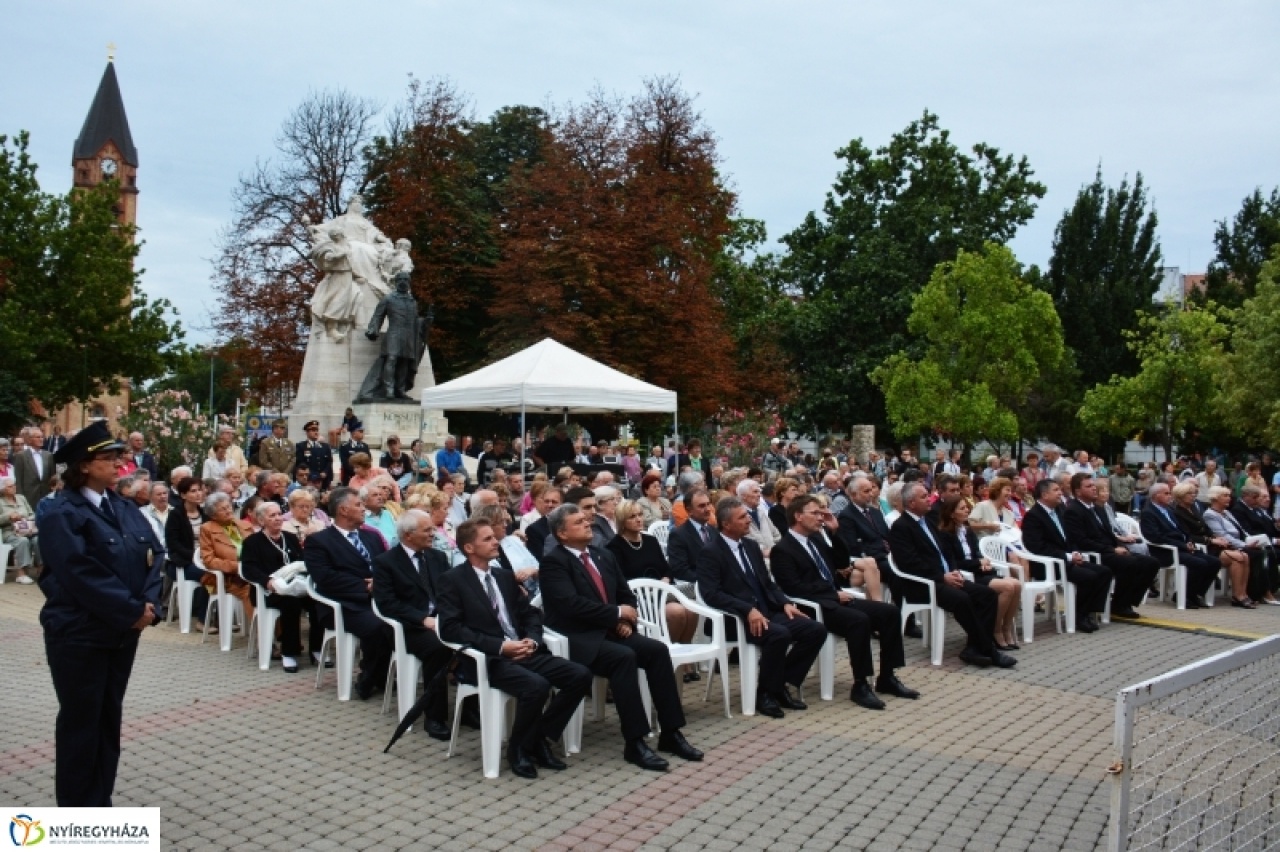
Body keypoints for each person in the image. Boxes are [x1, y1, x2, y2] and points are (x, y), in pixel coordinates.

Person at [38, 421, 163, 805]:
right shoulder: (61, 512)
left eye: (118, 458)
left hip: (122, 632)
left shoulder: (123, 507)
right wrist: (129, 609)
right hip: (80, 633)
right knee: (81, 724)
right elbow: (78, 572)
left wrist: (150, 607)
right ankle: (78, 814)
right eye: (109, 460)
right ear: (86, 466)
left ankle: (99, 804)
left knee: (108, 721)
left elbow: (153, 556)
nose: (118, 466)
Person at [539, 503, 704, 770]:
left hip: (612, 631)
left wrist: (626, 618)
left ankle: (671, 733)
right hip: (580, 638)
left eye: (586, 519)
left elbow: (626, 595)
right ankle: (635, 742)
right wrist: (616, 614)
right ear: (562, 534)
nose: (588, 523)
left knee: (656, 651)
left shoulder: (602, 555)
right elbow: (569, 605)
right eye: (579, 521)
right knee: (624, 657)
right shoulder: (554, 563)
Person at [438, 518, 593, 778]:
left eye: (493, 536)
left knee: (579, 676)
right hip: (489, 659)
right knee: (537, 686)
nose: (496, 541)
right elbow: (451, 629)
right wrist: (501, 647)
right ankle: (518, 749)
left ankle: (538, 738)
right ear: (469, 548)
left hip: (524, 650)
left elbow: (530, 613)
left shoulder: (502, 576)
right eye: (487, 539)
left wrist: (532, 639)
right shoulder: (453, 580)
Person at [770, 494, 917, 709]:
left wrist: (835, 531)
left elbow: (839, 562)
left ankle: (887, 676)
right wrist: (832, 595)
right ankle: (861, 683)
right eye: (815, 513)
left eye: (822, 513)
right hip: (813, 607)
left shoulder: (817, 539)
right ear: (798, 516)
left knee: (889, 613)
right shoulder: (783, 549)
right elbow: (794, 588)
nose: (821, 517)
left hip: (835, 600)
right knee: (859, 620)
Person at [697, 497, 827, 717]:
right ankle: (765, 694)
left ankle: (779, 684)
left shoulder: (749, 546)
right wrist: (747, 610)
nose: (749, 520)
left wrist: (785, 603)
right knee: (779, 635)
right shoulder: (711, 551)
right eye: (742, 517)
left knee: (814, 629)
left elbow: (767, 583)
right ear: (726, 524)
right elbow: (712, 594)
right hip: (736, 619)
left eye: (747, 515)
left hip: (766, 611)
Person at [888, 483, 1015, 668]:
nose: (929, 499)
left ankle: (973, 648)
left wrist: (953, 571)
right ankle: (989, 650)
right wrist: (942, 577)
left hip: (945, 578)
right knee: (962, 599)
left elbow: (946, 553)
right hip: (924, 584)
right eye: (924, 496)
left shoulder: (929, 522)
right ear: (911, 502)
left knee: (987, 595)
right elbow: (910, 563)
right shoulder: (901, 527)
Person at [371, 509, 457, 740]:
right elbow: (387, 603)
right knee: (438, 649)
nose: (434, 534)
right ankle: (435, 717)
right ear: (408, 535)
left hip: (442, 620)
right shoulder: (386, 562)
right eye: (427, 530)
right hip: (409, 627)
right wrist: (422, 618)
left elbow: (450, 591)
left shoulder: (437, 557)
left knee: (477, 639)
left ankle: (470, 709)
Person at [304, 487, 394, 700]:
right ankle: (370, 676)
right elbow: (325, 578)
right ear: (343, 510)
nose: (364, 509)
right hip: (343, 604)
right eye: (359, 505)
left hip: (378, 599)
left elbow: (386, 566)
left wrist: (381, 583)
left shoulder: (370, 537)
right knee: (379, 626)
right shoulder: (319, 541)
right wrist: (366, 587)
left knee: (404, 621)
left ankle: (383, 674)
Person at [606, 499, 701, 681]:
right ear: (622, 520)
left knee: (691, 610)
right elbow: (620, 581)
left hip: (661, 591)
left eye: (640, 515)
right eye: (632, 517)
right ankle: (667, 656)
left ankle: (683, 657)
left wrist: (665, 578)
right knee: (677, 612)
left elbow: (666, 567)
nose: (638, 520)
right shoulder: (614, 547)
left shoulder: (649, 540)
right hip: (639, 597)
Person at [1061, 473, 1160, 619]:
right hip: (1095, 552)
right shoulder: (1073, 511)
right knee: (1130, 564)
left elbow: (1108, 533)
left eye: (1094, 485)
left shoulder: (1098, 508)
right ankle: (1119, 604)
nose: (1094, 489)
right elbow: (1082, 541)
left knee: (1151, 562)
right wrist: (1112, 549)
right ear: (1077, 492)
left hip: (1110, 549)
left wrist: (1121, 545)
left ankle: (1124, 602)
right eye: (1089, 486)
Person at [1020, 478, 1113, 632]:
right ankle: (1079, 617)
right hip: (1049, 564)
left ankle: (1088, 611)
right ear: (1044, 495)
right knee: (1089, 576)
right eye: (1056, 490)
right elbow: (1037, 547)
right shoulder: (1034, 516)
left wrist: (1075, 552)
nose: (1060, 493)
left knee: (1104, 572)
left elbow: (1070, 537)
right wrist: (1067, 556)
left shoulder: (1060, 510)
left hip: (1067, 559)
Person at [240, 502, 320, 672]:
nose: (278, 518)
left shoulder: (289, 537)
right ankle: (289, 653)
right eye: (272, 516)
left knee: (318, 601)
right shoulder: (252, 542)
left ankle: (317, 649)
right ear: (261, 520)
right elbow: (248, 569)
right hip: (268, 591)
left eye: (279, 514)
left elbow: (302, 560)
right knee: (291, 604)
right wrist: (268, 581)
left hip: (296, 585)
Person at [937, 496, 1022, 650]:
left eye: (966, 507)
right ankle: (995, 631)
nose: (967, 511)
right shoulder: (945, 535)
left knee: (1016, 584)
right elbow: (954, 563)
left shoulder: (967, 530)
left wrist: (984, 562)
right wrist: (978, 563)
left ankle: (1006, 627)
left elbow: (976, 553)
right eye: (962, 508)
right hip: (968, 575)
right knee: (1007, 588)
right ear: (951, 514)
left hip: (978, 571)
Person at [1170, 481, 1253, 608]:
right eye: (1190, 493)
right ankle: (1236, 596)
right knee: (1237, 558)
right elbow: (1188, 535)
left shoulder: (1193, 508)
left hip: (1211, 544)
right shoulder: (1177, 512)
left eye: (1195, 493)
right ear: (1181, 495)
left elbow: (1205, 528)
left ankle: (1242, 594)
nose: (1194, 496)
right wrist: (1210, 540)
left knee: (1245, 556)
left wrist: (1216, 537)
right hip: (1201, 546)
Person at [1139, 482, 1219, 609]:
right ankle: (1184, 596)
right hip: (1165, 551)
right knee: (1199, 563)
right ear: (1156, 495)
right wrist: (1182, 545)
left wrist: (1188, 542)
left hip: (1182, 547)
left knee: (1214, 562)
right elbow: (1155, 537)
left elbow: (1183, 530)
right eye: (1166, 493)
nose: (1170, 496)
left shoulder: (1169, 510)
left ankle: (1195, 594)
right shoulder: (1149, 513)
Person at [1203, 486, 1279, 606]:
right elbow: (1223, 536)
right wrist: (1245, 545)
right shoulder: (1210, 515)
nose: (1229, 498)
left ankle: (1244, 593)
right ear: (1215, 499)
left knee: (1260, 552)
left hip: (1237, 544)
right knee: (1248, 555)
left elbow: (1241, 530)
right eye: (1225, 496)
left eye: (1229, 495)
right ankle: (1251, 593)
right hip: (1221, 548)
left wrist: (1250, 540)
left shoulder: (1227, 513)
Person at [199, 492, 256, 626]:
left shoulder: (244, 525)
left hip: (251, 572)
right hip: (227, 579)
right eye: (223, 509)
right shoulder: (207, 529)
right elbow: (209, 560)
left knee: (272, 589)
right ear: (213, 515)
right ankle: (264, 639)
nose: (228, 510)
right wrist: (236, 566)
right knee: (252, 592)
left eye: (228, 506)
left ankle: (279, 635)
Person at [664, 487, 714, 584]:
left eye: (708, 504)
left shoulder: (713, 531)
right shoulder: (678, 535)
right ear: (689, 510)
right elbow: (680, 570)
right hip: (696, 586)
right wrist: (709, 579)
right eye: (702, 506)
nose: (708, 509)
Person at [0, 475, 41, 583]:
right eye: (10, 486)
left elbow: (32, 514)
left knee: (38, 540)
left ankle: (41, 568)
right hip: (9, 531)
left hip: (27, 529)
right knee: (22, 541)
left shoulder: (21, 498)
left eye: (14, 485)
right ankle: (21, 573)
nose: (13, 488)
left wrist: (24, 517)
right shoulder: (0, 502)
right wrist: (9, 517)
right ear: (3, 489)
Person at [14, 427, 55, 508]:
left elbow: (52, 477)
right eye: (38, 437)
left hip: (45, 495)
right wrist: (20, 499)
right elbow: (18, 479)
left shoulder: (48, 456)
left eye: (42, 437)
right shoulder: (21, 456)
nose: (41, 439)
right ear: (29, 440)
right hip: (28, 497)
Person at [294, 420, 334, 491]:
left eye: (317, 430)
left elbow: (329, 461)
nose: (316, 432)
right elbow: (301, 463)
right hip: (309, 479)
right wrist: (315, 475)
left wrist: (325, 472)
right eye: (312, 430)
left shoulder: (325, 446)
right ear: (307, 432)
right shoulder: (301, 446)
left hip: (324, 480)